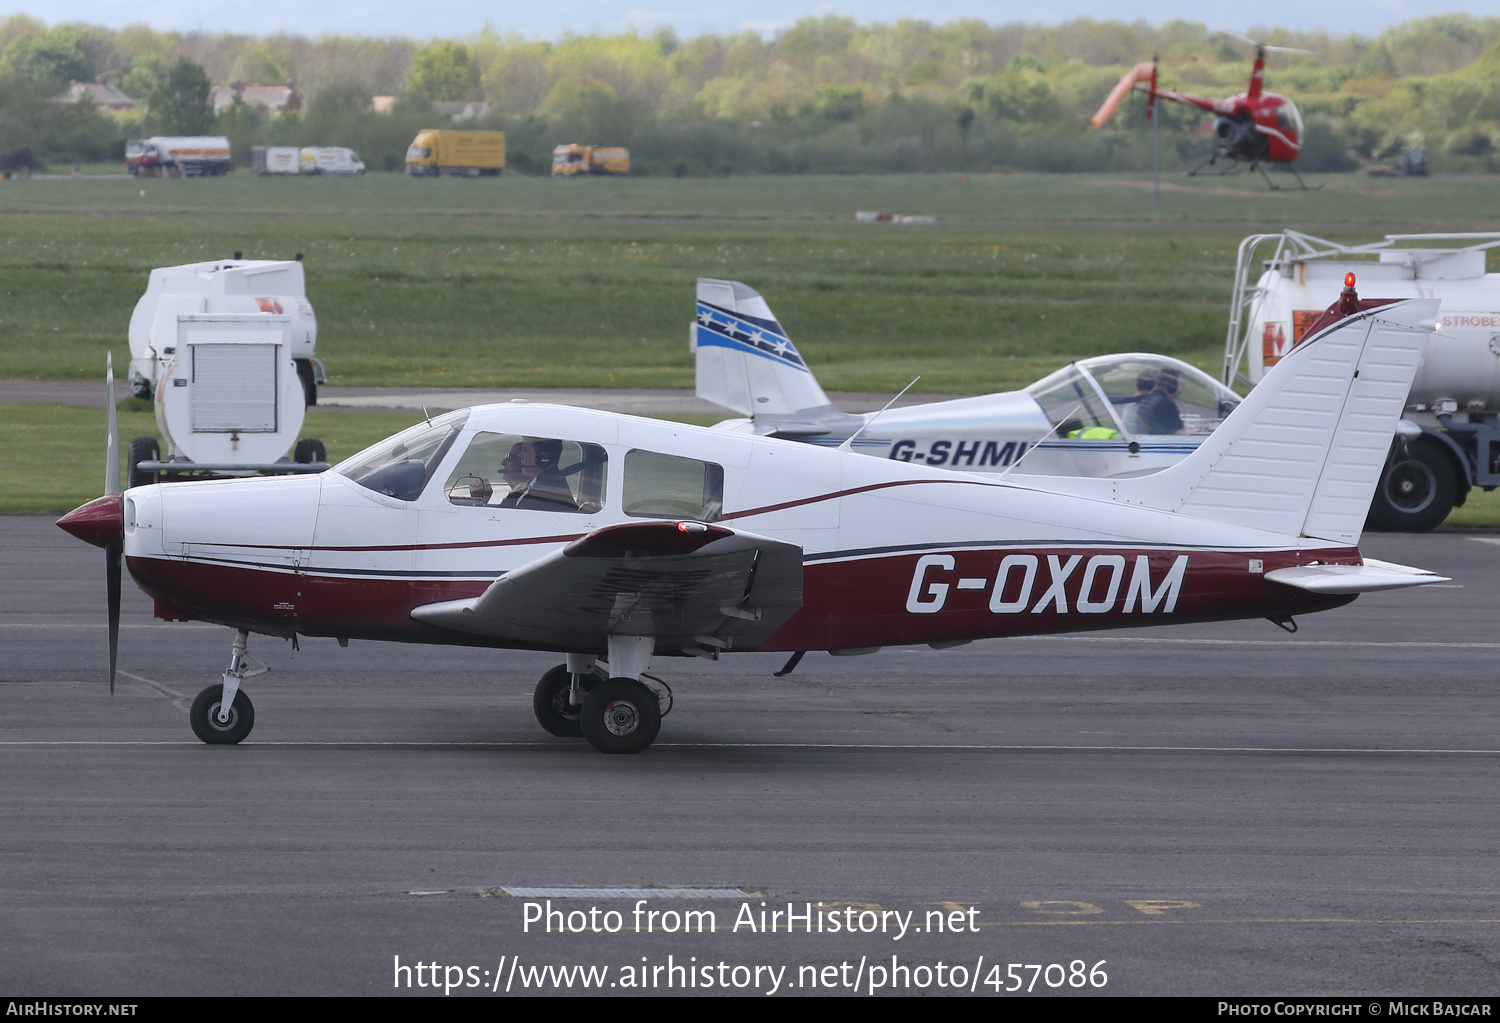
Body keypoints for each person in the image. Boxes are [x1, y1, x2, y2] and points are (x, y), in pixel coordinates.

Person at [499, 438, 577, 510]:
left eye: (525, 451)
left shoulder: (545, 493)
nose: (520, 456)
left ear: (543, 459)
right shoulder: (536, 484)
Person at [1135, 367, 1186, 435]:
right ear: (1172, 386)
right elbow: (1181, 434)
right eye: (1179, 384)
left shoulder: (1150, 397)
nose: (1180, 388)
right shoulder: (1166, 404)